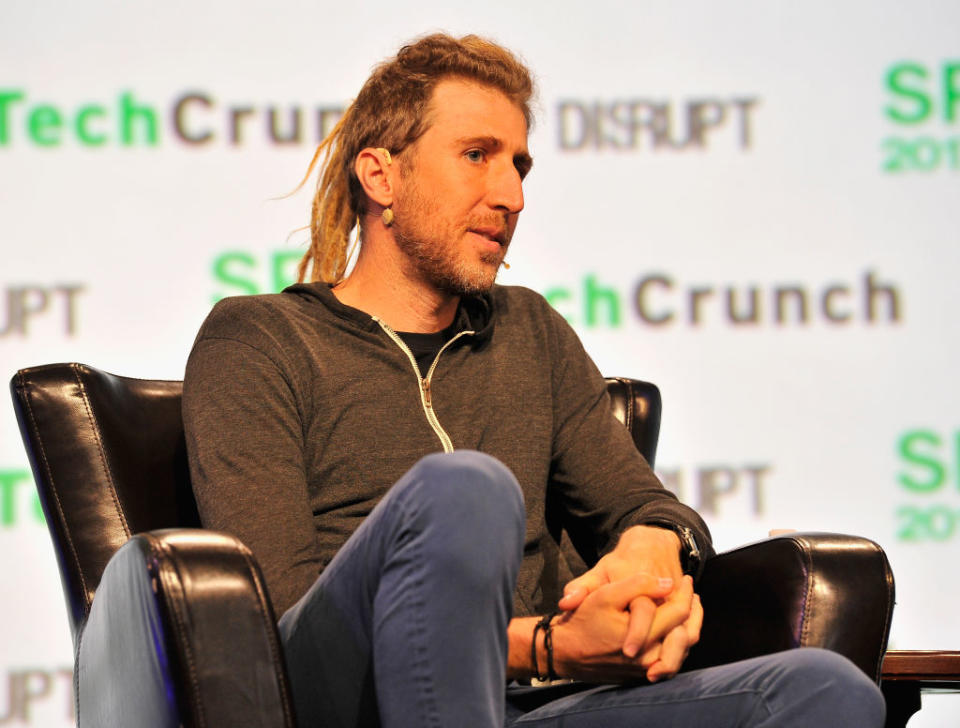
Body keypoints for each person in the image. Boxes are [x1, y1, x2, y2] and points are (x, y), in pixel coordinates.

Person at [182, 33, 885, 727]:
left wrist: (653, 547)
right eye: (477, 156)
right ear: (381, 176)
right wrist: (548, 645)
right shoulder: (259, 339)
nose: (512, 195)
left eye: (520, 166)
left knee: (827, 691)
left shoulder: (529, 332)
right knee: (466, 487)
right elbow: (277, 620)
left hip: (537, 708)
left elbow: (642, 503)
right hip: (352, 699)